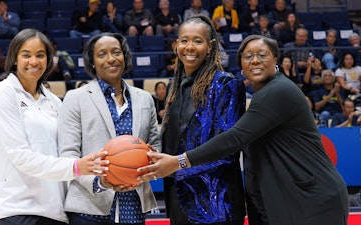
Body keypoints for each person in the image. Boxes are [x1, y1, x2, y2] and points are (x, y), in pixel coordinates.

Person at [138, 35, 349, 225]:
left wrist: (178, 162)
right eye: (248, 56)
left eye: (261, 55)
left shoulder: (278, 91)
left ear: (276, 60)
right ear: (241, 66)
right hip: (290, 195)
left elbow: (234, 138)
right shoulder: (262, 93)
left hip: (311, 198)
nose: (255, 60)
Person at [0, 28, 109, 225]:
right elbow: (20, 156)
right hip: (18, 209)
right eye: (26, 55)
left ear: (48, 60)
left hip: (57, 211)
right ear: (15, 58)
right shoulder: (2, 94)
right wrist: (76, 167)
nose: (34, 61)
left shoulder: (54, 102)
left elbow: (68, 151)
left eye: (40, 55)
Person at [57, 32, 160, 225]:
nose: (111, 59)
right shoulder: (75, 98)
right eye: (102, 54)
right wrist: (100, 182)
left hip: (134, 207)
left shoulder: (144, 98)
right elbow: (68, 156)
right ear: (92, 62)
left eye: (116, 52)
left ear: (125, 57)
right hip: (89, 209)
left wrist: (151, 162)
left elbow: (155, 146)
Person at [156, 15, 247, 225]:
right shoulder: (174, 87)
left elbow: (228, 149)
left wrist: (176, 165)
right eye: (184, 40)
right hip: (180, 199)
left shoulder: (226, 85)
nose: (189, 47)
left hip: (215, 204)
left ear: (210, 46)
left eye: (197, 41)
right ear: (176, 44)